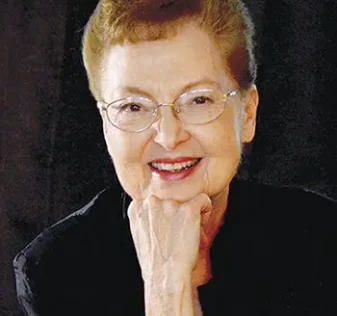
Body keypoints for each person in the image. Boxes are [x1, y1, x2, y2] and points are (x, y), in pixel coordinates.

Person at [13, 0, 337, 315]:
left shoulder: (321, 239)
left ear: (248, 113)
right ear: (106, 128)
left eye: (198, 100)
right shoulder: (56, 269)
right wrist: (165, 286)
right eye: (133, 106)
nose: (168, 137)